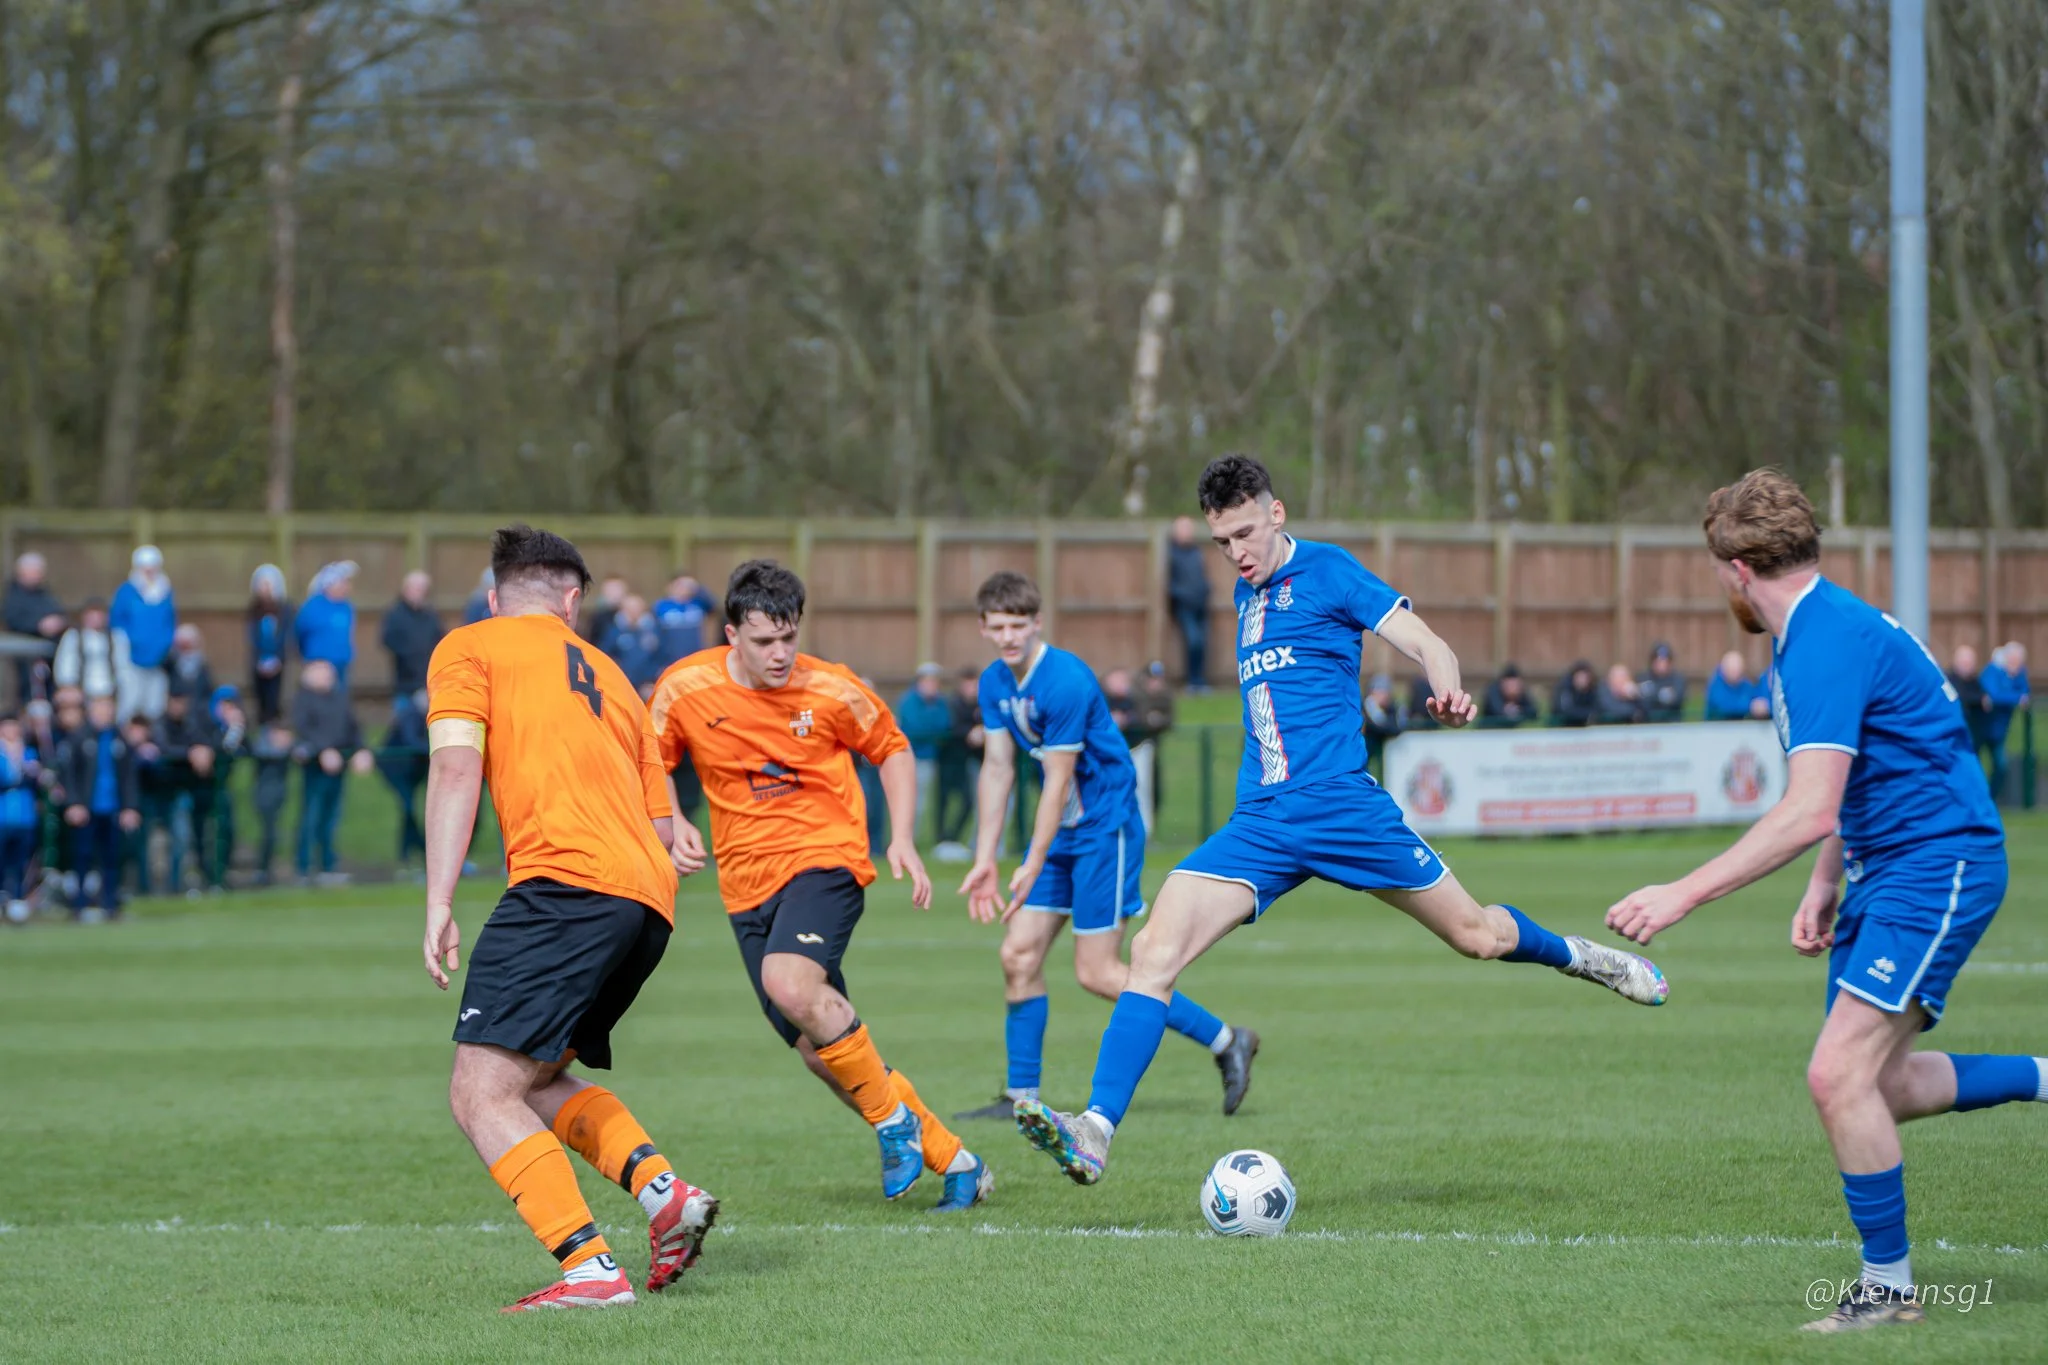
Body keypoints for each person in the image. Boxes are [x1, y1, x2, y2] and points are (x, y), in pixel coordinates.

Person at [1013, 455, 1665, 1187]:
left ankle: (1584, 957)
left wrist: (1448, 693)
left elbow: (1426, 642)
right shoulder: (1246, 592)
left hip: (1342, 809)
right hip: (1261, 822)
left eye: (1246, 533)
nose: (1237, 552)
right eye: (1223, 541)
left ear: (1277, 513)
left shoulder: (1329, 570)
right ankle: (1095, 1130)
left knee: (1478, 936)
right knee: (1153, 949)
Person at [1606, 469, 2042, 1334]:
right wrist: (1825, 880)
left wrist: (1682, 891)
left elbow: (1808, 807)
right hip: (1891, 866)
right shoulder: (1817, 629)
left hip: (1938, 860)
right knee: (1881, 1085)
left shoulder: (1823, 641)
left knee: (1835, 1075)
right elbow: (1848, 784)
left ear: (1737, 570)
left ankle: (1887, 1289)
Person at [423, 523, 716, 1312]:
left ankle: (590, 1268)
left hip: (565, 886)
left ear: (495, 598)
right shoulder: (614, 675)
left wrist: (439, 900)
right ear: (572, 601)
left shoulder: (469, 646)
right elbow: (666, 825)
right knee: (538, 1076)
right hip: (646, 901)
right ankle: (666, 1195)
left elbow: (455, 767)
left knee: (480, 1091)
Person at [647, 560, 989, 1211]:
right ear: (731, 635)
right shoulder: (684, 686)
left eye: (789, 637)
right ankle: (955, 1159)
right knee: (819, 1051)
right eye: (764, 641)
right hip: (744, 885)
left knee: (789, 982)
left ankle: (892, 1124)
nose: (780, 654)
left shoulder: (832, 688)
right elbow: (649, 755)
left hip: (824, 860)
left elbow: (892, 748)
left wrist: (902, 838)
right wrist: (673, 821)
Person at [954, 571, 1254, 1128]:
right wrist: (984, 859)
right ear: (983, 628)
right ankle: (1021, 1097)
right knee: (1018, 956)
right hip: (1062, 833)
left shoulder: (1065, 680)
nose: (1008, 637)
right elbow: (996, 768)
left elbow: (1058, 780)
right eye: (998, 627)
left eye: (1018, 625)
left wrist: (1032, 861)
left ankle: (1226, 1039)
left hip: (1103, 829)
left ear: (1037, 623)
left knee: (1097, 972)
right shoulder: (995, 682)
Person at [52, 694, 140, 921]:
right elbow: (68, 775)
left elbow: (129, 777)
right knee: (82, 856)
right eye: (100, 708)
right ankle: (78, 906)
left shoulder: (119, 739)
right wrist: (74, 803)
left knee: (111, 857)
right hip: (86, 809)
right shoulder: (78, 738)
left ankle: (110, 904)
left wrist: (130, 807)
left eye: (108, 708)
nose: (105, 713)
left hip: (111, 808)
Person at [289, 659, 371, 883]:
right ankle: (304, 866)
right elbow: (303, 729)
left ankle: (328, 865)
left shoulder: (339, 698)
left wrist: (361, 750)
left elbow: (353, 728)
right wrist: (323, 749)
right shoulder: (303, 700)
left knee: (332, 816)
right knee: (311, 815)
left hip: (338, 766)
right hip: (315, 768)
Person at [152, 688, 222, 894]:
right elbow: (164, 749)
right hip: (164, 792)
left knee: (189, 837)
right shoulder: (160, 725)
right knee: (178, 839)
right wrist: (190, 753)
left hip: (187, 791)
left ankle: (185, 882)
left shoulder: (191, 724)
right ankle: (170, 885)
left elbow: (205, 743)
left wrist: (204, 751)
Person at [110, 545, 176, 720]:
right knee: (130, 701)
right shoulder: (127, 591)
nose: (149, 572)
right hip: (130, 658)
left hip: (158, 660)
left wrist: (164, 647)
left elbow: (169, 622)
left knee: (155, 704)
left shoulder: (165, 592)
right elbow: (117, 624)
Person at [896, 662, 953, 844]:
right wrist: (932, 730)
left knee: (925, 802)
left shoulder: (940, 702)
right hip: (911, 757)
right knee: (911, 801)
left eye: (934, 681)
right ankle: (906, 839)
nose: (931, 685)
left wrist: (932, 729)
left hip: (931, 758)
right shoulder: (908, 701)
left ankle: (915, 839)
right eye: (927, 681)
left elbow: (945, 725)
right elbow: (914, 727)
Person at [54, 599, 136, 722]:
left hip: (108, 692)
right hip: (80, 690)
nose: (95, 620)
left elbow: (124, 667)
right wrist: (70, 687)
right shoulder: (73, 636)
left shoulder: (117, 637)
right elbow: (64, 665)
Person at [932, 666, 983, 861]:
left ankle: (953, 837)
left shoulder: (982, 706)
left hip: (971, 763)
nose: (971, 689)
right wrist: (969, 732)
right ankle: (942, 839)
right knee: (943, 800)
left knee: (969, 801)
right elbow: (950, 727)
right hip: (949, 762)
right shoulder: (952, 705)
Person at [4, 552, 65, 707]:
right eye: (34, 571)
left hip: (49, 655)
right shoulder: (13, 596)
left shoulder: (45, 594)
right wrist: (39, 625)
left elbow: (58, 612)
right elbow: (12, 620)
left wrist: (57, 622)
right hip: (23, 659)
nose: (38, 575)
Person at [380, 688, 431, 870]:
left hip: (411, 771)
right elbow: (412, 741)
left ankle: (410, 852)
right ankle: (416, 849)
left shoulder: (418, 714)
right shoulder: (411, 714)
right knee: (408, 809)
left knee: (409, 811)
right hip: (397, 769)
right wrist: (435, 749)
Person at [0, 713, 42, 923]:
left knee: (20, 863)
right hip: (3, 816)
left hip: (25, 817)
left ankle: (17, 900)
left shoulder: (29, 752)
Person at [382, 571, 445, 708]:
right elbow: (387, 640)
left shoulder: (431, 615)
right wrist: (408, 654)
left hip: (429, 677)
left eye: (423, 589)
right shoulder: (395, 614)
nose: (420, 593)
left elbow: (440, 639)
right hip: (405, 680)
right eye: (416, 589)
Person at [1978, 643, 2030, 803]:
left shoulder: (2018, 674)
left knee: (2001, 765)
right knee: (1974, 764)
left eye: (2018, 661)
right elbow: (1993, 695)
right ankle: (1976, 798)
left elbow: (2025, 692)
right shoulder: (1993, 670)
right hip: (1980, 727)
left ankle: (1989, 800)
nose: (2016, 665)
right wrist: (2016, 698)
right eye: (2013, 660)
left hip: (1999, 730)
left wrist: (2017, 695)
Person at [1166, 515, 1212, 691]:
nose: (1187, 532)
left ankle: (1200, 681)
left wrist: (1206, 589)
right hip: (1184, 606)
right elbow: (1168, 582)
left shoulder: (1196, 551)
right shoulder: (1170, 553)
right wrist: (1181, 595)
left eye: (1189, 528)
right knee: (1193, 641)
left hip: (1201, 603)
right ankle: (1192, 681)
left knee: (1202, 643)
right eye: (1183, 528)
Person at [295, 561, 358, 682]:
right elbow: (300, 633)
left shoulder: (347, 607)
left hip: (342, 663)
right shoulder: (312, 607)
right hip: (319, 664)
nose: (347, 587)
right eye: (343, 583)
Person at [250, 719, 294, 886]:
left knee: (272, 834)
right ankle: (262, 869)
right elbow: (264, 752)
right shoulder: (263, 747)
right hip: (264, 796)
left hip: (279, 796)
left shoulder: (287, 748)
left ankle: (265, 869)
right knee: (269, 834)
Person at [248, 565, 290, 724]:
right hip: (259, 661)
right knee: (261, 697)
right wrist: (258, 660)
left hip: (278, 662)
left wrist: (278, 659)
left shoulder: (284, 610)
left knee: (276, 697)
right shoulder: (254, 610)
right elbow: (252, 636)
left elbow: (286, 635)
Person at [601, 595, 665, 696]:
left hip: (648, 684)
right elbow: (605, 654)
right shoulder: (614, 630)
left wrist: (652, 679)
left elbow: (662, 655)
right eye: (630, 608)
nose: (633, 611)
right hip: (622, 683)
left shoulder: (655, 629)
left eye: (636, 608)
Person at [652, 570, 716, 667]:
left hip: (696, 657)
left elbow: (714, 606)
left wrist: (698, 588)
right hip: (670, 659)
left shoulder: (698, 603)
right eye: (679, 585)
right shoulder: (661, 606)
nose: (683, 588)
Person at [1363, 673, 1406, 776]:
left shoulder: (1392, 709)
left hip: (1386, 756)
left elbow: (1395, 728)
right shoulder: (1364, 706)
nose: (1384, 696)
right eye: (1381, 692)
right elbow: (1374, 726)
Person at [1707, 650, 1769, 721]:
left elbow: (1756, 698)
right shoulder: (1716, 686)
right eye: (1731, 670)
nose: (1735, 673)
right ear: (1723, 669)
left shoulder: (1745, 685)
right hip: (1717, 725)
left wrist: (1761, 705)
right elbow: (1725, 706)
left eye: (1737, 670)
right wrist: (1750, 706)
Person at [165, 623, 215, 710]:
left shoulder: (203, 667)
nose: (185, 649)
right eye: (182, 645)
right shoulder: (169, 665)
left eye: (187, 645)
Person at [1637, 642, 1686, 722]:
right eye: (1658, 661)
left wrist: (1650, 693)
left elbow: (1675, 700)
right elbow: (1641, 702)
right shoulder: (1643, 678)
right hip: (1647, 723)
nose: (1661, 665)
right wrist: (1662, 695)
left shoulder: (1678, 680)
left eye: (1665, 661)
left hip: (1670, 724)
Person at [1479, 663, 1539, 728]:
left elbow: (1533, 712)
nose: (1512, 688)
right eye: (1510, 685)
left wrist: (1519, 710)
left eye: (1515, 685)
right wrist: (1508, 710)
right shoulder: (1493, 691)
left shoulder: (1523, 693)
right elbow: (1495, 710)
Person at [581, 574, 629, 646]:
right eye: (611, 590)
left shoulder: (633, 617)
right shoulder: (597, 618)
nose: (614, 594)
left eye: (617, 589)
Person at [1551, 661, 1598, 727]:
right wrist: (1587, 714)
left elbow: (1596, 709)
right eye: (1580, 676)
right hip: (1563, 726)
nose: (1583, 680)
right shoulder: (1564, 689)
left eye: (1585, 677)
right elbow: (1566, 711)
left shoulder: (1592, 690)